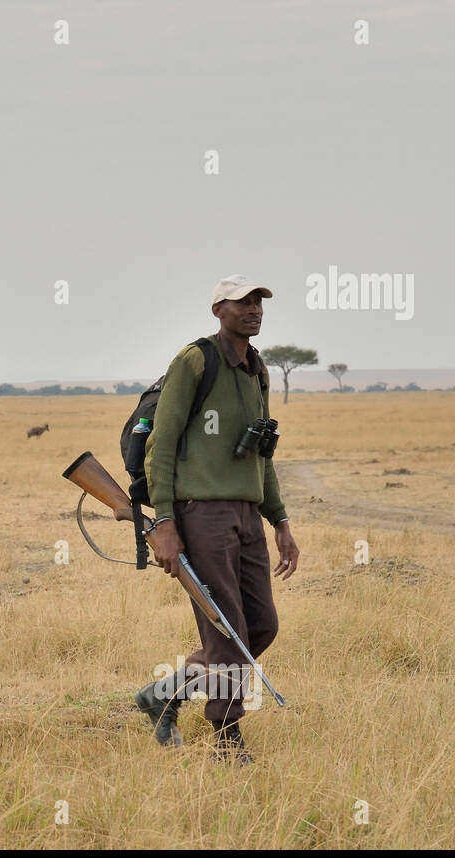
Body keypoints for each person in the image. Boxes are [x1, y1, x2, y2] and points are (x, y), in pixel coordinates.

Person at [136, 276, 300, 764]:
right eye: (243, 302)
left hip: (248, 515)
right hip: (200, 513)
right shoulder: (195, 360)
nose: (254, 309)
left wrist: (281, 521)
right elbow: (160, 444)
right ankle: (225, 737)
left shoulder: (258, 370)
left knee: (261, 626)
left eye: (258, 302)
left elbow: (262, 457)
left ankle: (166, 692)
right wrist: (164, 520)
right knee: (227, 630)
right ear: (218, 310)